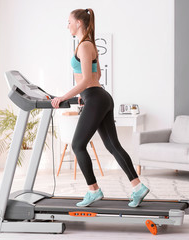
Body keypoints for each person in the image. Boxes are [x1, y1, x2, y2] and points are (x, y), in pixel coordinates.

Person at [51, 8, 149, 208]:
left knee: (78, 145)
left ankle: (93, 190)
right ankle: (138, 187)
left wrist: (64, 96)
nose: (67, 25)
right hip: (98, 97)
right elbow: (97, 77)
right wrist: (82, 95)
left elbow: (87, 79)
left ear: (79, 22)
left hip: (96, 98)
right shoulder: (88, 44)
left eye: (69, 21)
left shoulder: (85, 45)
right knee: (113, 146)